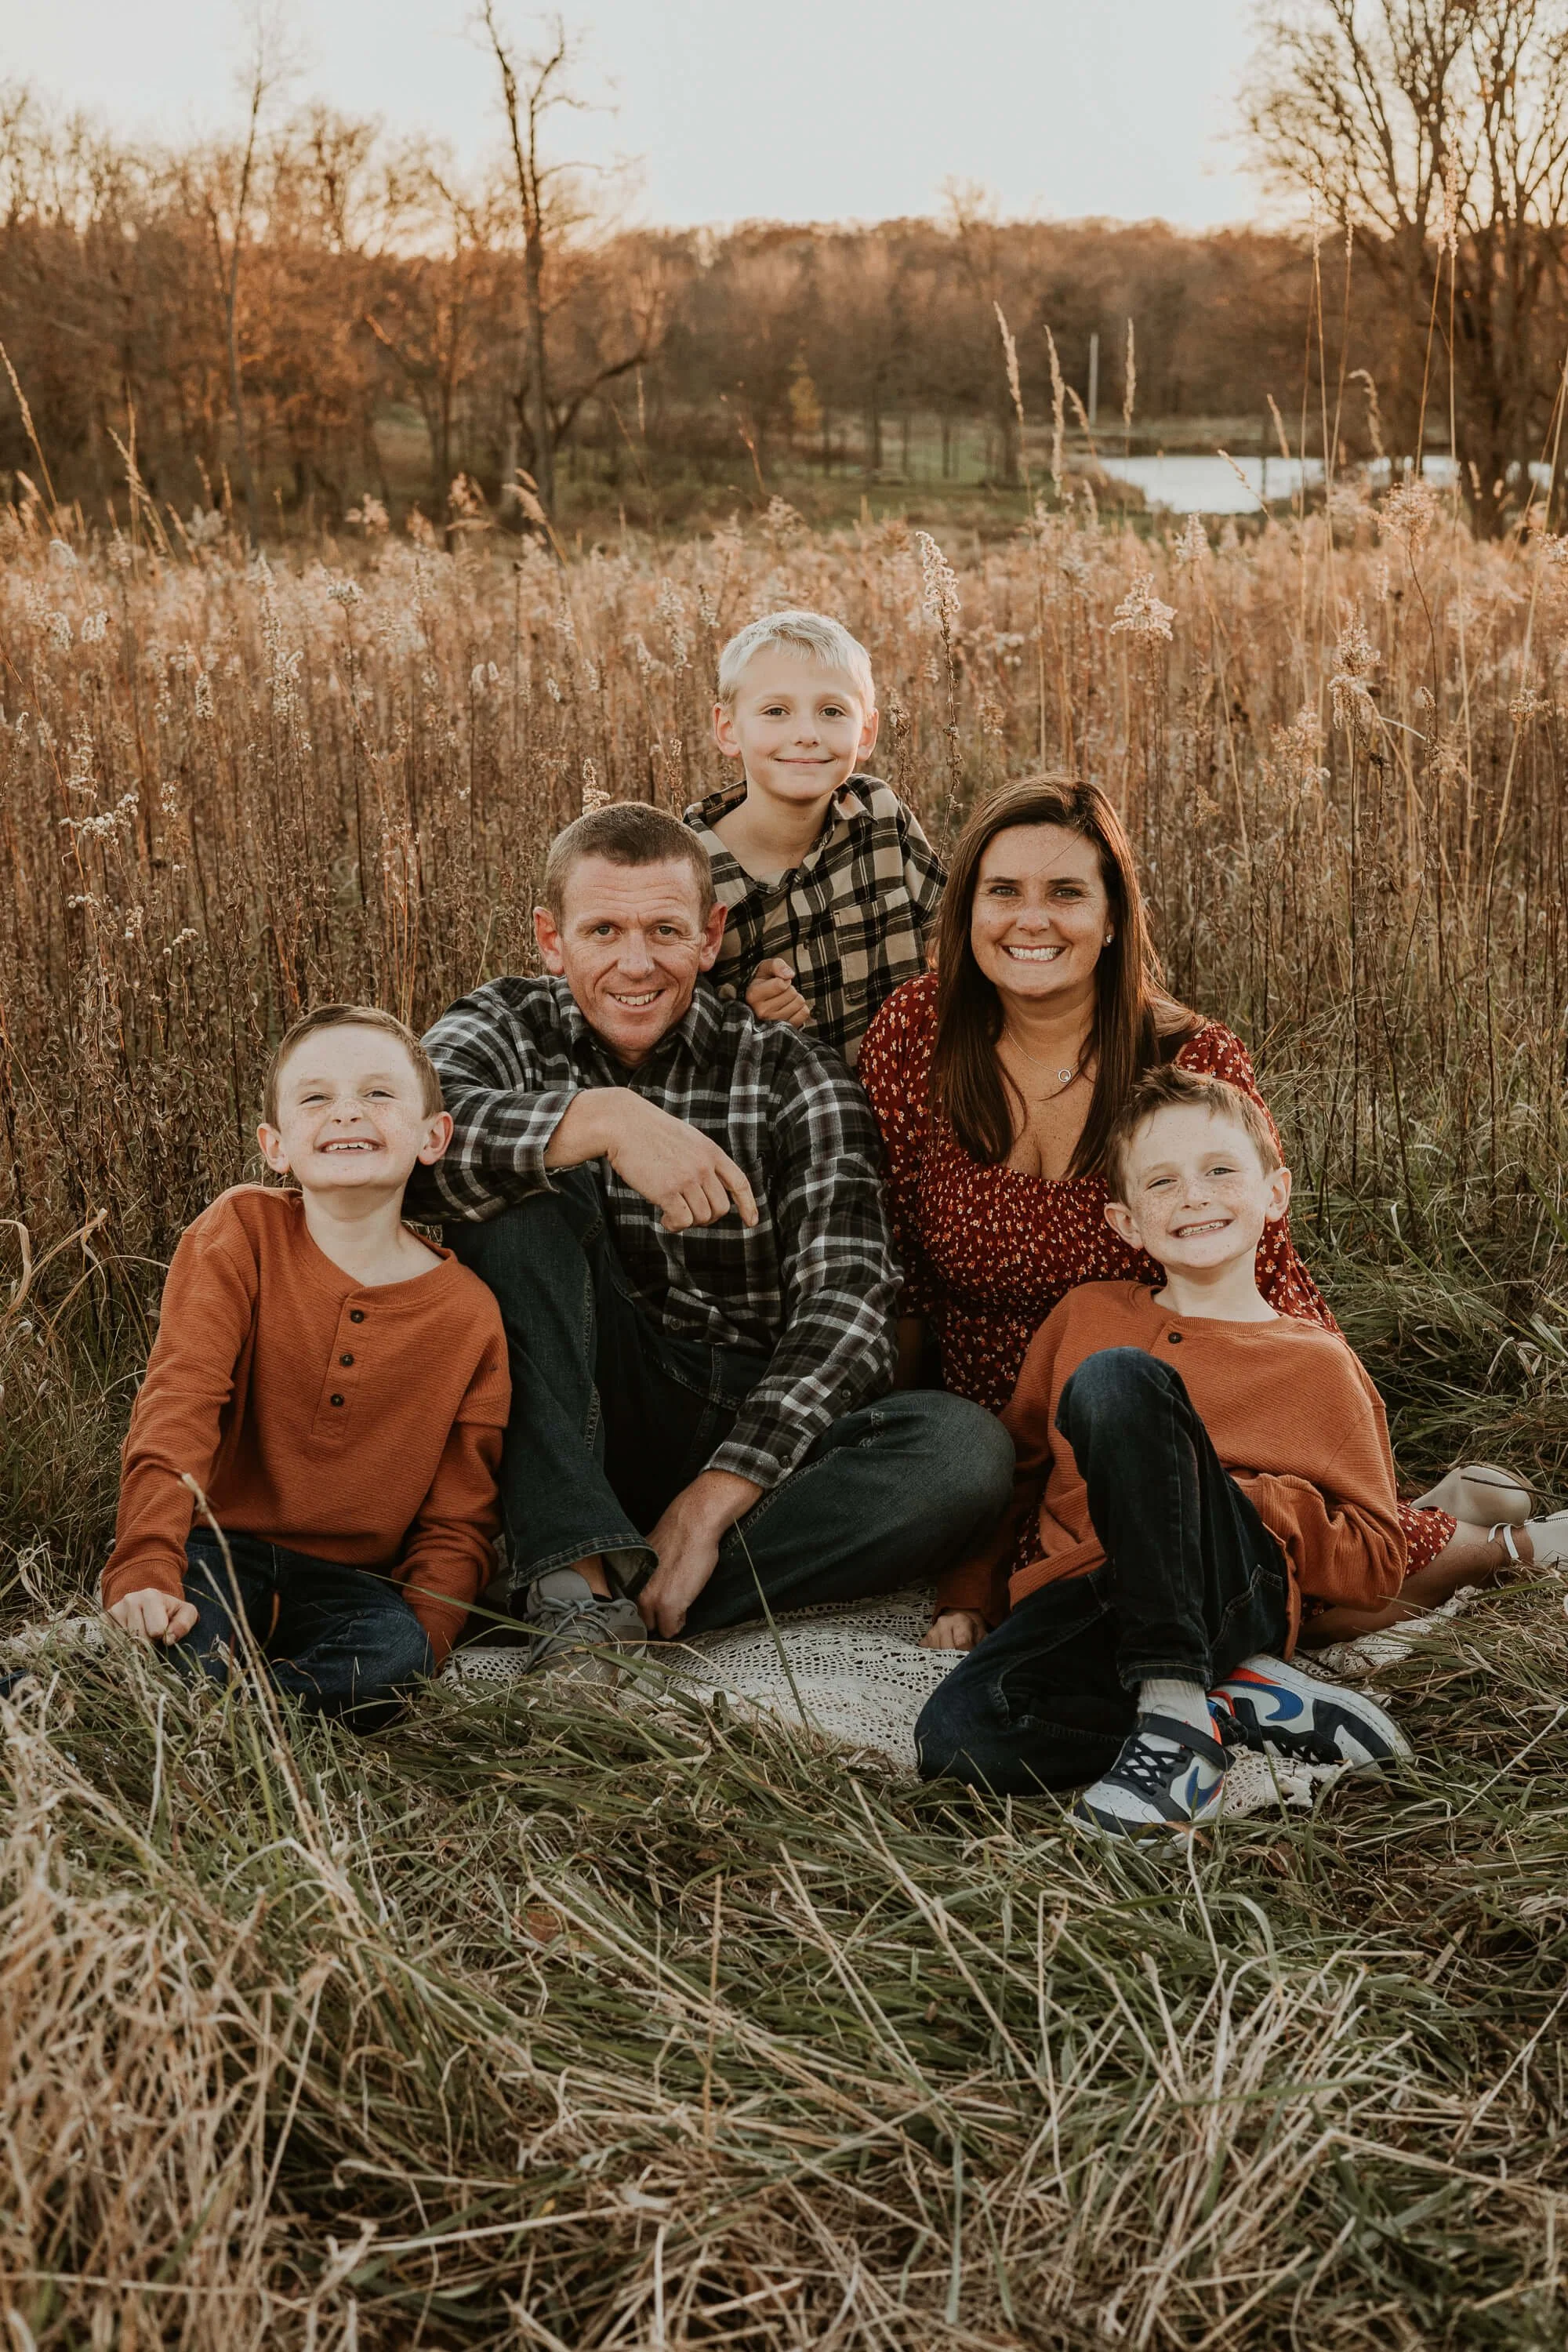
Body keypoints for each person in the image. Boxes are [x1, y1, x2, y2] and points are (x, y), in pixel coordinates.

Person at [857, 775, 1544, 1652]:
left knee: (1254, 1589)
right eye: (1002, 892)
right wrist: (921, 1449)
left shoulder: (1189, 1055)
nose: (1030, 921)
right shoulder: (917, 1027)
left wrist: (1333, 1448)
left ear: (1112, 917)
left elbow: (1261, 1266)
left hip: (1176, 1392)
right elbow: (901, 1265)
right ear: (964, 912)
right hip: (999, 1414)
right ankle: (1441, 1521)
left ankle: (1495, 1546)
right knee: (1086, 1597)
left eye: (1065, 892)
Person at [418, 800, 1012, 1666]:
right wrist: (600, 1119)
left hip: (748, 1419)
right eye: (602, 931)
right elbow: (391, 1144)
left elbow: (849, 1307)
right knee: (517, 1208)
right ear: (551, 940)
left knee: (961, 1452)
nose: (634, 962)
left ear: (709, 934)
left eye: (664, 930)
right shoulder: (506, 1026)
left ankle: (629, 1588)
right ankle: (577, 1575)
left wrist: (715, 1494)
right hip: (571, 1401)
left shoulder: (787, 1070)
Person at [915, 1065, 1411, 1836]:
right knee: (955, 1739)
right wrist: (964, 1594)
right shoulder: (1084, 1314)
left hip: (1224, 1584)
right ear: (1125, 1223)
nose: (1193, 1195)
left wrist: (1229, 1497)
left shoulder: (1313, 1363)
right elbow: (1014, 1472)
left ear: (1272, 1193)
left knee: (1114, 1382)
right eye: (1162, 1182)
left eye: (1219, 1171)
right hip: (1086, 1598)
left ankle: (1176, 1722)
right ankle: (1226, 1702)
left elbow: (1378, 1558)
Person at [100, 1007, 510, 1726]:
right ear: (276, 1144)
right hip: (216, 1548)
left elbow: (460, 1514)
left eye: (380, 1094)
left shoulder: (469, 1314)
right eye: (316, 1097)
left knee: (391, 1657)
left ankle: (236, 1719)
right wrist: (146, 1561)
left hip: (355, 1582)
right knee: (179, 1635)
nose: (347, 1111)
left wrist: (424, 1635)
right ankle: (194, 1701)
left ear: (431, 1136)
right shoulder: (241, 1232)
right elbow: (179, 1400)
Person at [684, 609, 944, 1069]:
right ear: (728, 729)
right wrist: (745, 1012)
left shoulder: (879, 815)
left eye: (831, 711)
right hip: (788, 1120)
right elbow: (674, 1023)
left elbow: (947, 926)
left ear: (866, 732)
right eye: (776, 711)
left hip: (911, 1097)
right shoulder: (689, 868)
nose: (806, 735)